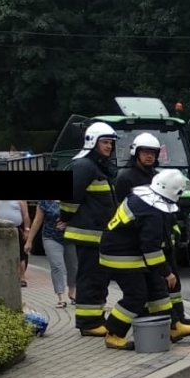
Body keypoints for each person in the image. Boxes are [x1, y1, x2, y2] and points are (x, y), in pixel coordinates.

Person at [114, 136, 190, 340]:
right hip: (146, 243)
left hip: (163, 239)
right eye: (146, 152)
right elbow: (123, 209)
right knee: (158, 283)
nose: (150, 156)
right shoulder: (125, 177)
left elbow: (167, 208)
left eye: (153, 153)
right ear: (136, 153)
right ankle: (167, 324)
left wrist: (173, 231)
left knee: (173, 283)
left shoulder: (157, 175)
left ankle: (178, 318)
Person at [98, 170, 185, 350]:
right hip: (121, 255)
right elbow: (151, 248)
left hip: (126, 251)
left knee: (156, 288)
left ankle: (173, 326)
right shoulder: (151, 212)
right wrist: (167, 272)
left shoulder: (142, 198)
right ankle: (113, 334)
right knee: (136, 296)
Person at [63, 122, 120, 335]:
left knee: (100, 278)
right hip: (88, 234)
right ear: (92, 142)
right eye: (105, 142)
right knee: (90, 278)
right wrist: (65, 217)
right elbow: (70, 196)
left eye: (111, 143)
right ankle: (88, 324)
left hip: (100, 235)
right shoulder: (84, 166)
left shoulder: (99, 166)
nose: (109, 147)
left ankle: (96, 318)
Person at [28, 199, 72, 307]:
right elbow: (37, 221)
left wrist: (68, 223)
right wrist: (29, 241)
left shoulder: (73, 198)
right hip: (50, 237)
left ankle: (73, 291)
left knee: (73, 266)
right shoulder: (44, 201)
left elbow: (81, 215)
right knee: (57, 265)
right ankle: (61, 296)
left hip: (70, 237)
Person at [0, 198, 30, 286]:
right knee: (0, 253)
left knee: (21, 254)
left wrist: (26, 230)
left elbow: (25, 215)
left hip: (16, 228)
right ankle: (2, 275)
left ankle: (22, 277)